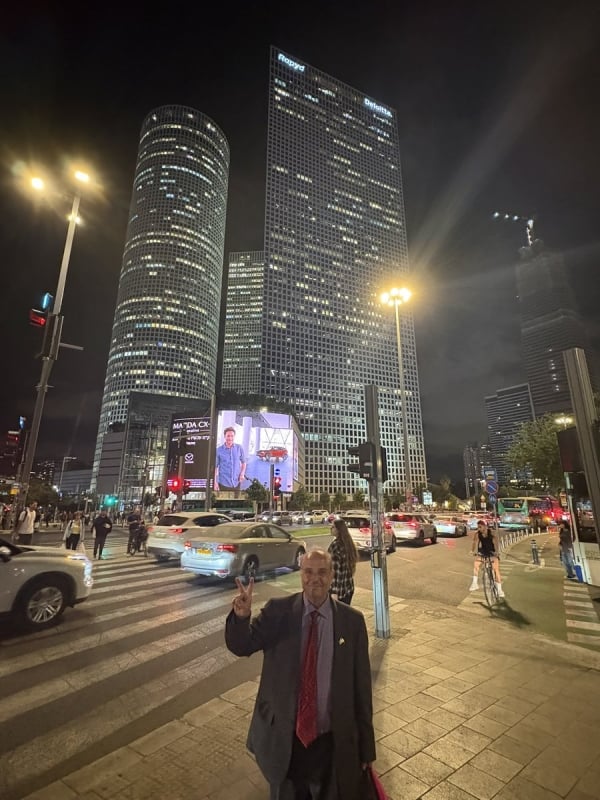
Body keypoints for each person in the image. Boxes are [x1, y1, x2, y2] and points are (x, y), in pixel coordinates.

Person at [225, 548, 376, 800]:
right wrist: (241, 618)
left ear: (331, 575)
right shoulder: (278, 612)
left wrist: (367, 748)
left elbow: (362, 688)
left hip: (331, 743)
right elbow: (242, 646)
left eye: (322, 572)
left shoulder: (352, 622)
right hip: (286, 739)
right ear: (300, 574)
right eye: (308, 572)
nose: (315, 578)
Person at [470, 519, 504, 597]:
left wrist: (496, 552)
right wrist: (472, 551)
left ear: (485, 526)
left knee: (496, 569)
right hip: (483, 551)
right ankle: (474, 583)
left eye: (480, 527)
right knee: (476, 564)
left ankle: (500, 590)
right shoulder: (477, 534)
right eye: (478, 527)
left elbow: (496, 543)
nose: (479, 529)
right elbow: (474, 542)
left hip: (492, 551)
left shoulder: (491, 533)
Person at [328, 518, 358, 605]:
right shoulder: (348, 544)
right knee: (346, 612)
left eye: (333, 527)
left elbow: (335, 571)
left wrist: (334, 593)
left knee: (336, 613)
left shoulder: (335, 546)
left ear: (338, 530)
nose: (330, 528)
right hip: (348, 588)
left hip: (339, 592)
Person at [214, 426, 246, 492]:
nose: (230, 438)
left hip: (237, 483)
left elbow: (244, 462)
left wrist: (242, 473)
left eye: (232, 436)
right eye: (228, 436)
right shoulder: (218, 450)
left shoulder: (239, 448)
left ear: (234, 437)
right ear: (224, 436)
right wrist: (215, 482)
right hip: (223, 484)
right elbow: (215, 467)